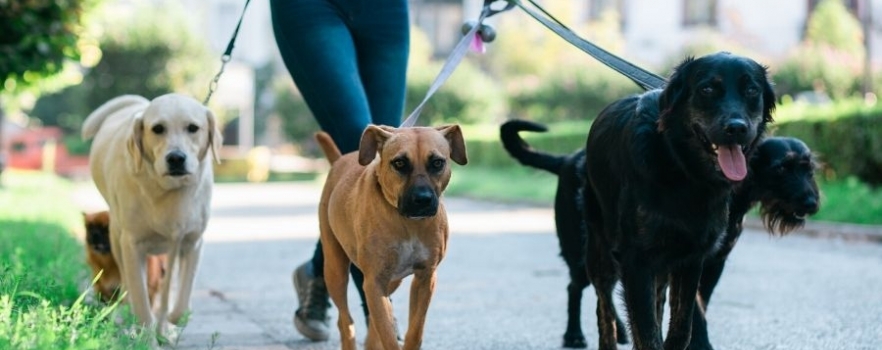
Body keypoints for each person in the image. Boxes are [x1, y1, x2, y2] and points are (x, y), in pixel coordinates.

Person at [269, 0, 410, 342]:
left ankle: (317, 272)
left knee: (388, 150)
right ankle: (379, 324)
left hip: (386, 9)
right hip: (309, 8)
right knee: (361, 150)